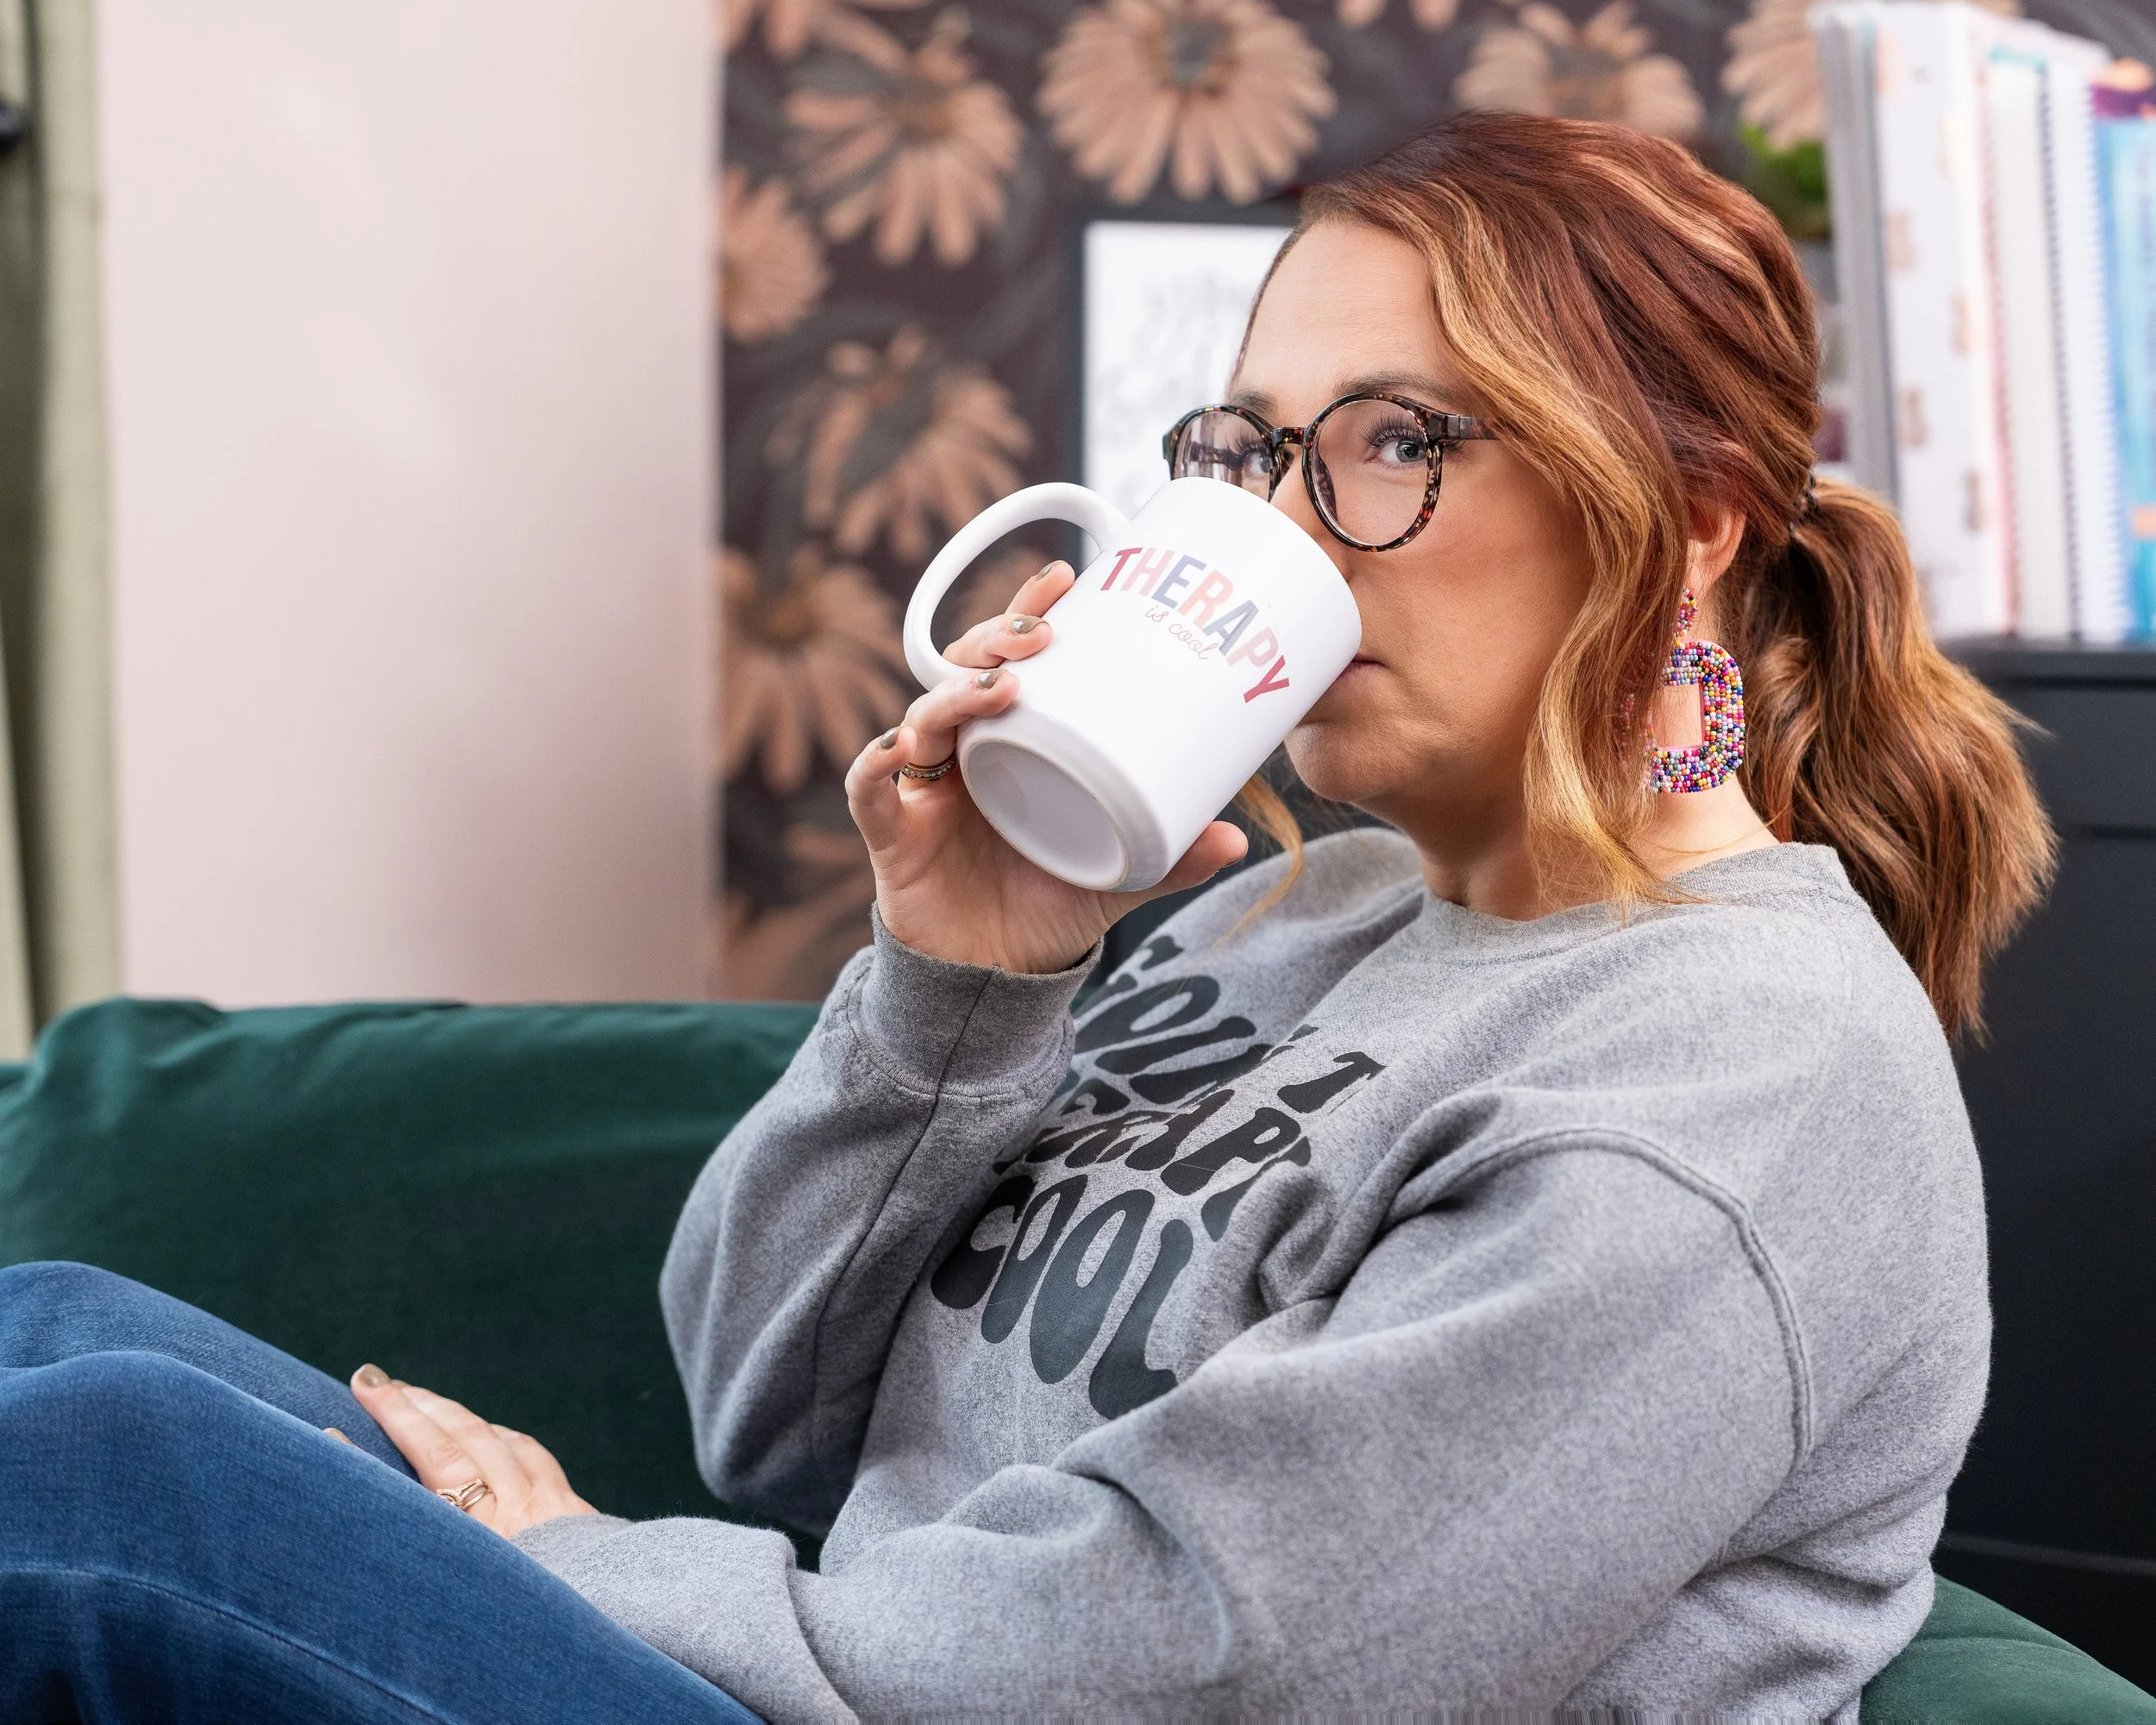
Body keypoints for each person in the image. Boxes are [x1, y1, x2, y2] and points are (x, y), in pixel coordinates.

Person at [1, 110, 2053, 1721]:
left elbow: (1200, 1663)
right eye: (1252, 452)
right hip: (812, 1680)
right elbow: (771, 1424)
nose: (1283, 532)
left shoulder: (1733, 1082)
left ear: (1691, 510)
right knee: (61, 1329)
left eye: (1396, 444)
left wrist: (564, 1567)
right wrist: (963, 972)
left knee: (102, 1480)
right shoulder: (1295, 919)